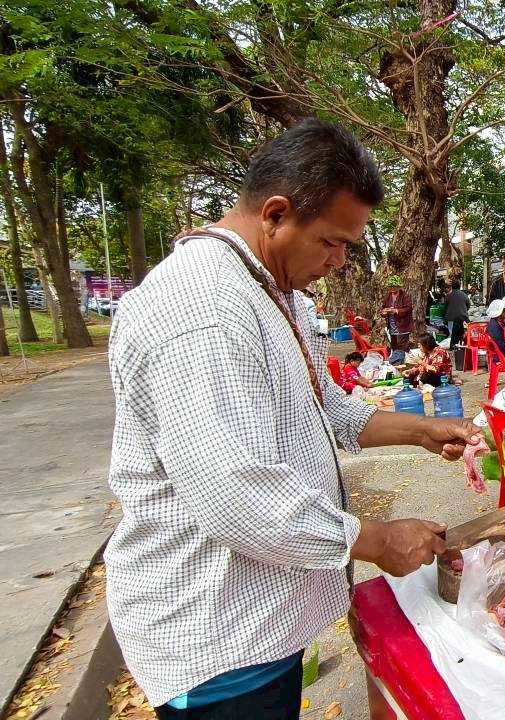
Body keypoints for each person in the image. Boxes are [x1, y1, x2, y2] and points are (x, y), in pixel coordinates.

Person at [105, 119, 482, 715]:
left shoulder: (265, 292)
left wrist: (422, 430)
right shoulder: (204, 309)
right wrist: (379, 540)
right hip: (216, 638)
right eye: (332, 242)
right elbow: (236, 494)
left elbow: (320, 408)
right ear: (277, 214)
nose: (337, 261)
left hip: (261, 621)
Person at [381, 274, 413, 357]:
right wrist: (384, 312)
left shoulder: (405, 296)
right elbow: (383, 307)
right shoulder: (388, 296)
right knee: (394, 345)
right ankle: (396, 361)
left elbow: (408, 309)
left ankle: (403, 361)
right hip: (392, 325)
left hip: (403, 325)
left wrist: (395, 310)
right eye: (390, 286)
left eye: (394, 286)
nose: (392, 288)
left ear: (398, 286)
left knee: (402, 346)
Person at [443, 281, 470, 350]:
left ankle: (453, 348)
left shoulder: (448, 296)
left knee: (452, 335)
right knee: (463, 334)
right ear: (459, 286)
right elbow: (468, 305)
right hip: (463, 318)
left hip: (451, 318)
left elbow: (445, 307)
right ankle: (461, 347)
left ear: (452, 287)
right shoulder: (464, 295)